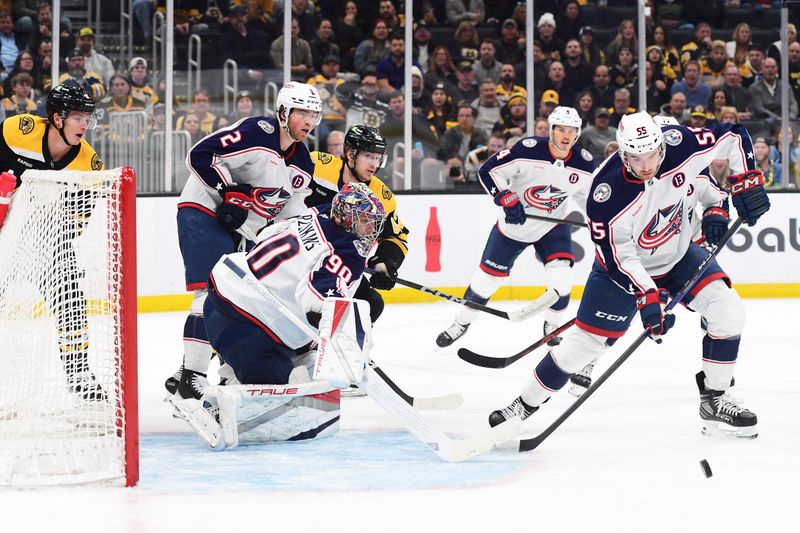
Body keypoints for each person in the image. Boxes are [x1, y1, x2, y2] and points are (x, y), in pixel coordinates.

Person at [488, 111, 771, 441]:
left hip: (678, 256)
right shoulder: (604, 194)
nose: (647, 164)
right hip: (620, 273)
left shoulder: (681, 146)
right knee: (582, 347)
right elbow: (619, 257)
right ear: (622, 153)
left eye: (652, 154)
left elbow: (733, 136)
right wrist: (648, 295)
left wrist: (745, 181)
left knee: (729, 312)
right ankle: (522, 407)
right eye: (636, 158)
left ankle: (715, 399)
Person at [172, 182, 386, 444]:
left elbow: (266, 235)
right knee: (280, 400)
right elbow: (316, 301)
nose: (371, 229)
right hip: (247, 329)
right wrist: (348, 341)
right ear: (347, 218)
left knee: (306, 356)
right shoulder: (345, 253)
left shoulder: (317, 213)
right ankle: (212, 406)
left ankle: (232, 380)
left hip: (222, 297)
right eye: (364, 221)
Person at [166, 82, 322, 402]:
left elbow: (291, 210)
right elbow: (200, 154)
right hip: (204, 212)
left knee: (241, 305)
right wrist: (228, 192)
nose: (308, 121)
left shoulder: (303, 161)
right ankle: (192, 379)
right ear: (283, 113)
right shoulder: (257, 132)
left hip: (244, 232)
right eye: (302, 112)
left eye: (314, 114)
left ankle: (213, 372)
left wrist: (312, 237)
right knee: (210, 295)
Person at [435, 107, 595, 348]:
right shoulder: (528, 149)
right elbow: (488, 170)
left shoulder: (584, 163)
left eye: (571, 131)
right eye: (561, 129)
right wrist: (504, 196)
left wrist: (598, 219)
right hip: (514, 226)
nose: (566, 135)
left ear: (578, 133)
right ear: (551, 130)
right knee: (484, 283)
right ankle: (461, 322)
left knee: (562, 280)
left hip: (553, 227)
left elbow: (588, 198)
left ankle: (552, 327)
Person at [0, 83, 105, 400]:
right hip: (5, 231)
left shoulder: (89, 163)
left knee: (71, 297)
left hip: (48, 237)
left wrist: (47, 242)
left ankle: (79, 375)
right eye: (77, 117)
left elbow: (76, 222)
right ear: (57, 118)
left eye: (88, 117)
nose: (84, 125)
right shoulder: (18, 131)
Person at [304, 126, 409, 326]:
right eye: (368, 156)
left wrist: (386, 262)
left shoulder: (381, 195)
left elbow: (397, 236)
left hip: (338, 266)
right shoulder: (317, 166)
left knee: (371, 304)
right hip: (300, 251)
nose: (374, 164)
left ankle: (343, 351)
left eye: (378, 158)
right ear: (350, 153)